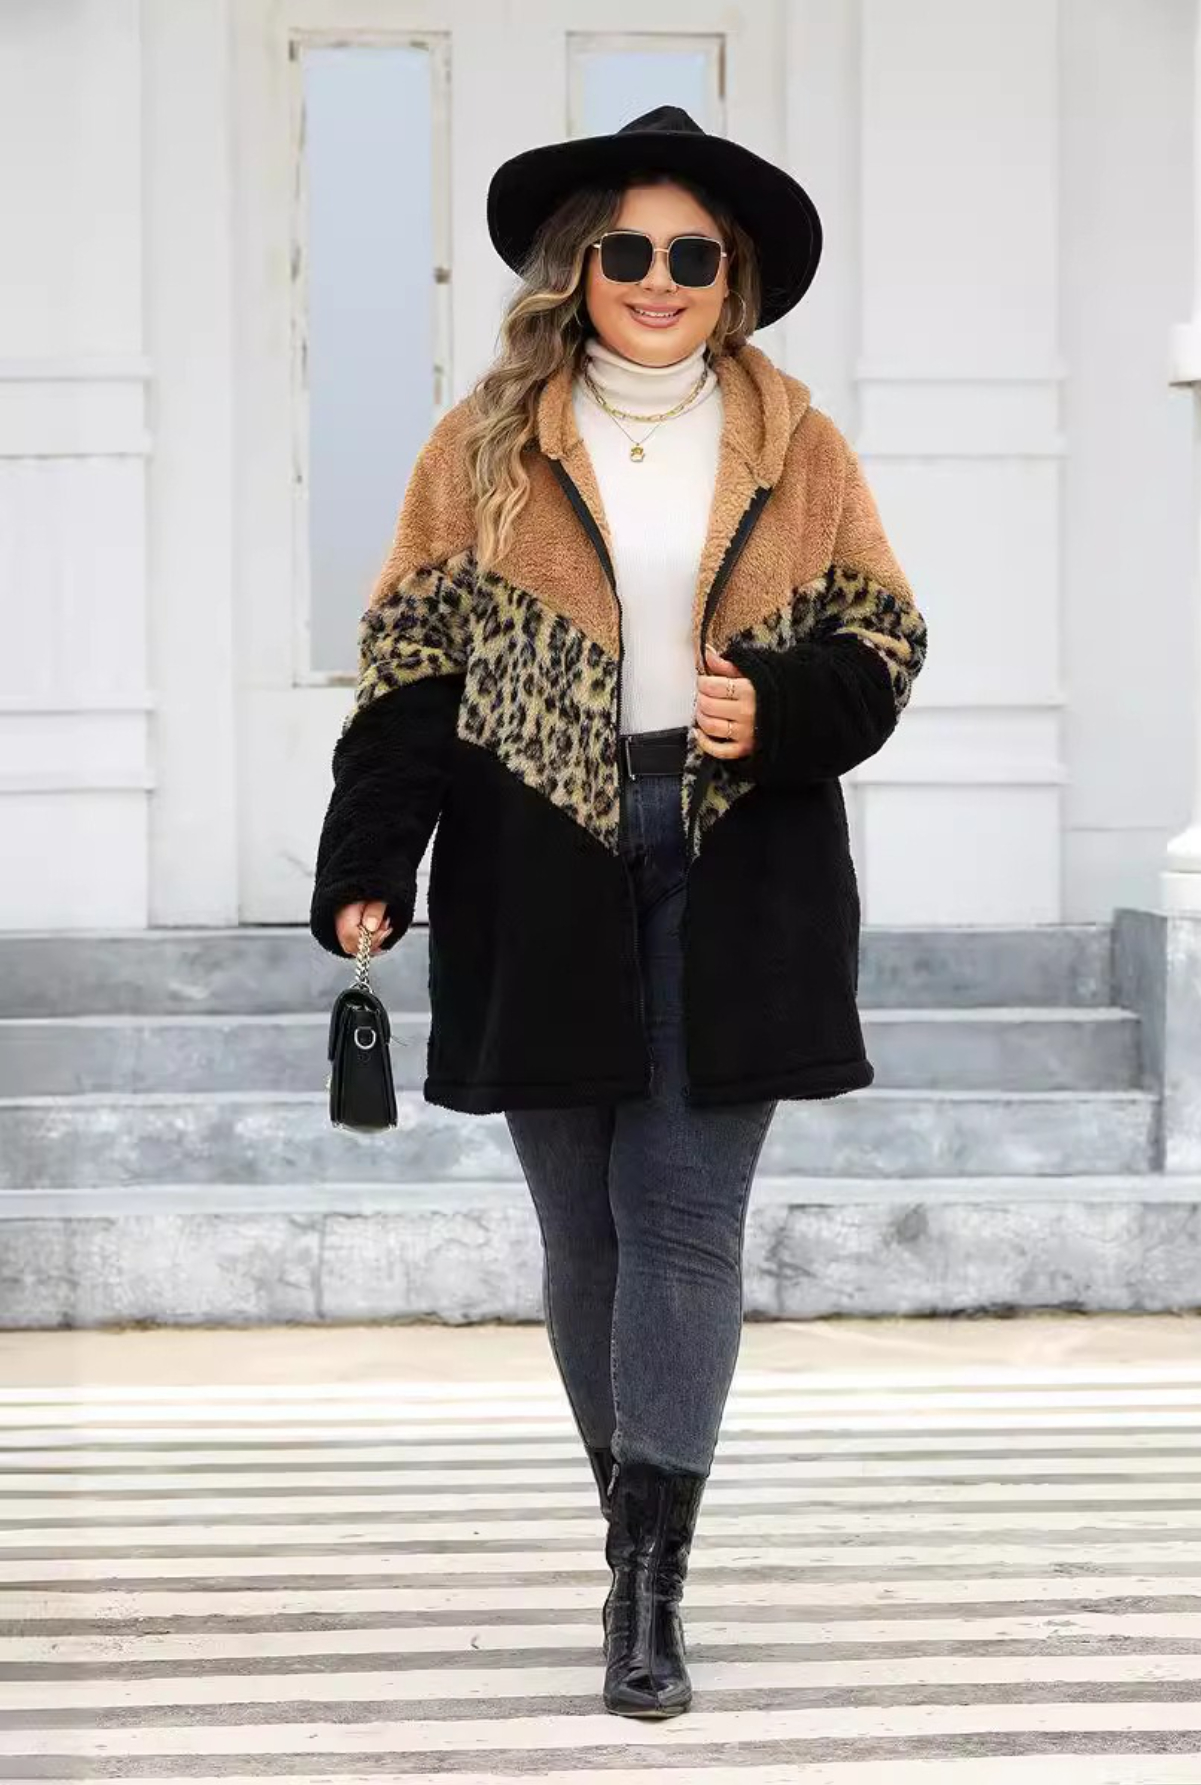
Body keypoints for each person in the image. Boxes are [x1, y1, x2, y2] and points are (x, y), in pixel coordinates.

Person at [309, 104, 928, 1720]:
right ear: (580, 268)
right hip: (538, 859)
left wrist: (775, 709)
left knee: (682, 1217)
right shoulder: (481, 446)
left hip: (740, 863)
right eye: (629, 250)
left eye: (692, 257)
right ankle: (627, 1523)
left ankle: (651, 1583)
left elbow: (884, 644)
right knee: (583, 1228)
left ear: (733, 282)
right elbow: (410, 666)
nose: (659, 278)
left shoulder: (796, 443)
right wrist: (371, 857)